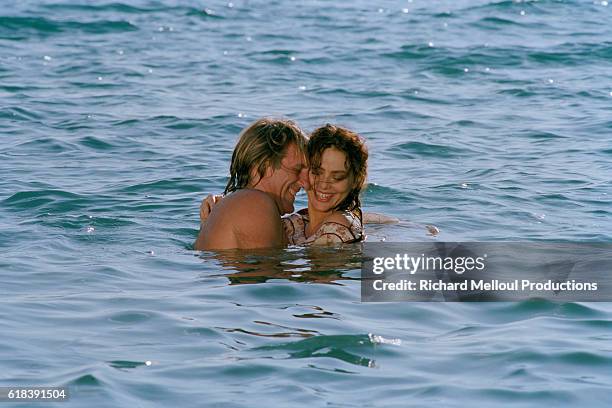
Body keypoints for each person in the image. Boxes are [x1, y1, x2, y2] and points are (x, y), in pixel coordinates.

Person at [193, 118, 309, 250]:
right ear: (264, 166)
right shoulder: (256, 204)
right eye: (297, 170)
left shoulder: (238, 204)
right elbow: (268, 270)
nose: (306, 183)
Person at [282, 124, 368, 245]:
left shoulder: (338, 229)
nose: (324, 185)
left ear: (356, 181)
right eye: (317, 172)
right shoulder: (295, 224)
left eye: (337, 177)